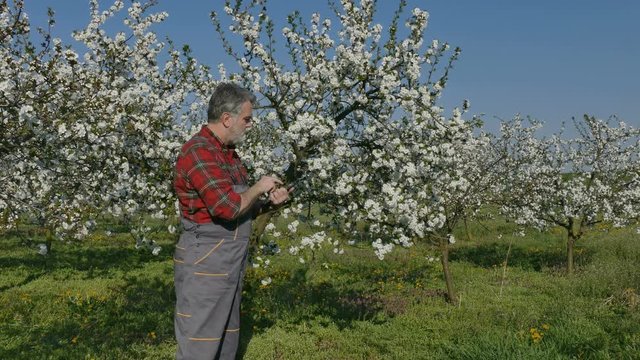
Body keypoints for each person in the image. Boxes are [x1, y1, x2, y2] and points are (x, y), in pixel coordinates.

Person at [173, 83, 290, 359]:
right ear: (227, 118)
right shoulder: (198, 152)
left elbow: (240, 206)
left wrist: (266, 202)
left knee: (225, 344)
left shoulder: (228, 155)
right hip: (205, 264)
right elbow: (226, 207)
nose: (250, 125)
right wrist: (259, 187)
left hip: (229, 263)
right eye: (246, 119)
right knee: (199, 345)